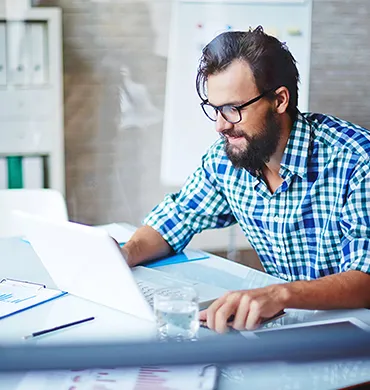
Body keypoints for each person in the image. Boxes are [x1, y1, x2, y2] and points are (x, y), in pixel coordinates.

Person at [121, 26, 370, 333]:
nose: (220, 126)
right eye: (215, 110)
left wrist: (280, 294)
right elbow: (177, 217)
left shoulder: (358, 160)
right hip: (293, 327)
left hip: (357, 335)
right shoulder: (227, 157)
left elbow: (366, 279)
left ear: (279, 101)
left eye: (233, 109)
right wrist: (124, 254)